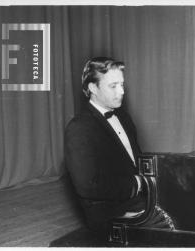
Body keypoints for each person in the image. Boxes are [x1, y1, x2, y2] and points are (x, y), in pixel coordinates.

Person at [64, 57, 173, 239]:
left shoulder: (124, 117)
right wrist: (138, 184)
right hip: (111, 215)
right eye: (113, 86)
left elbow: (135, 162)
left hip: (137, 202)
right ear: (92, 88)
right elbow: (88, 187)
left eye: (122, 84)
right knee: (173, 228)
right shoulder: (79, 128)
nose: (121, 91)